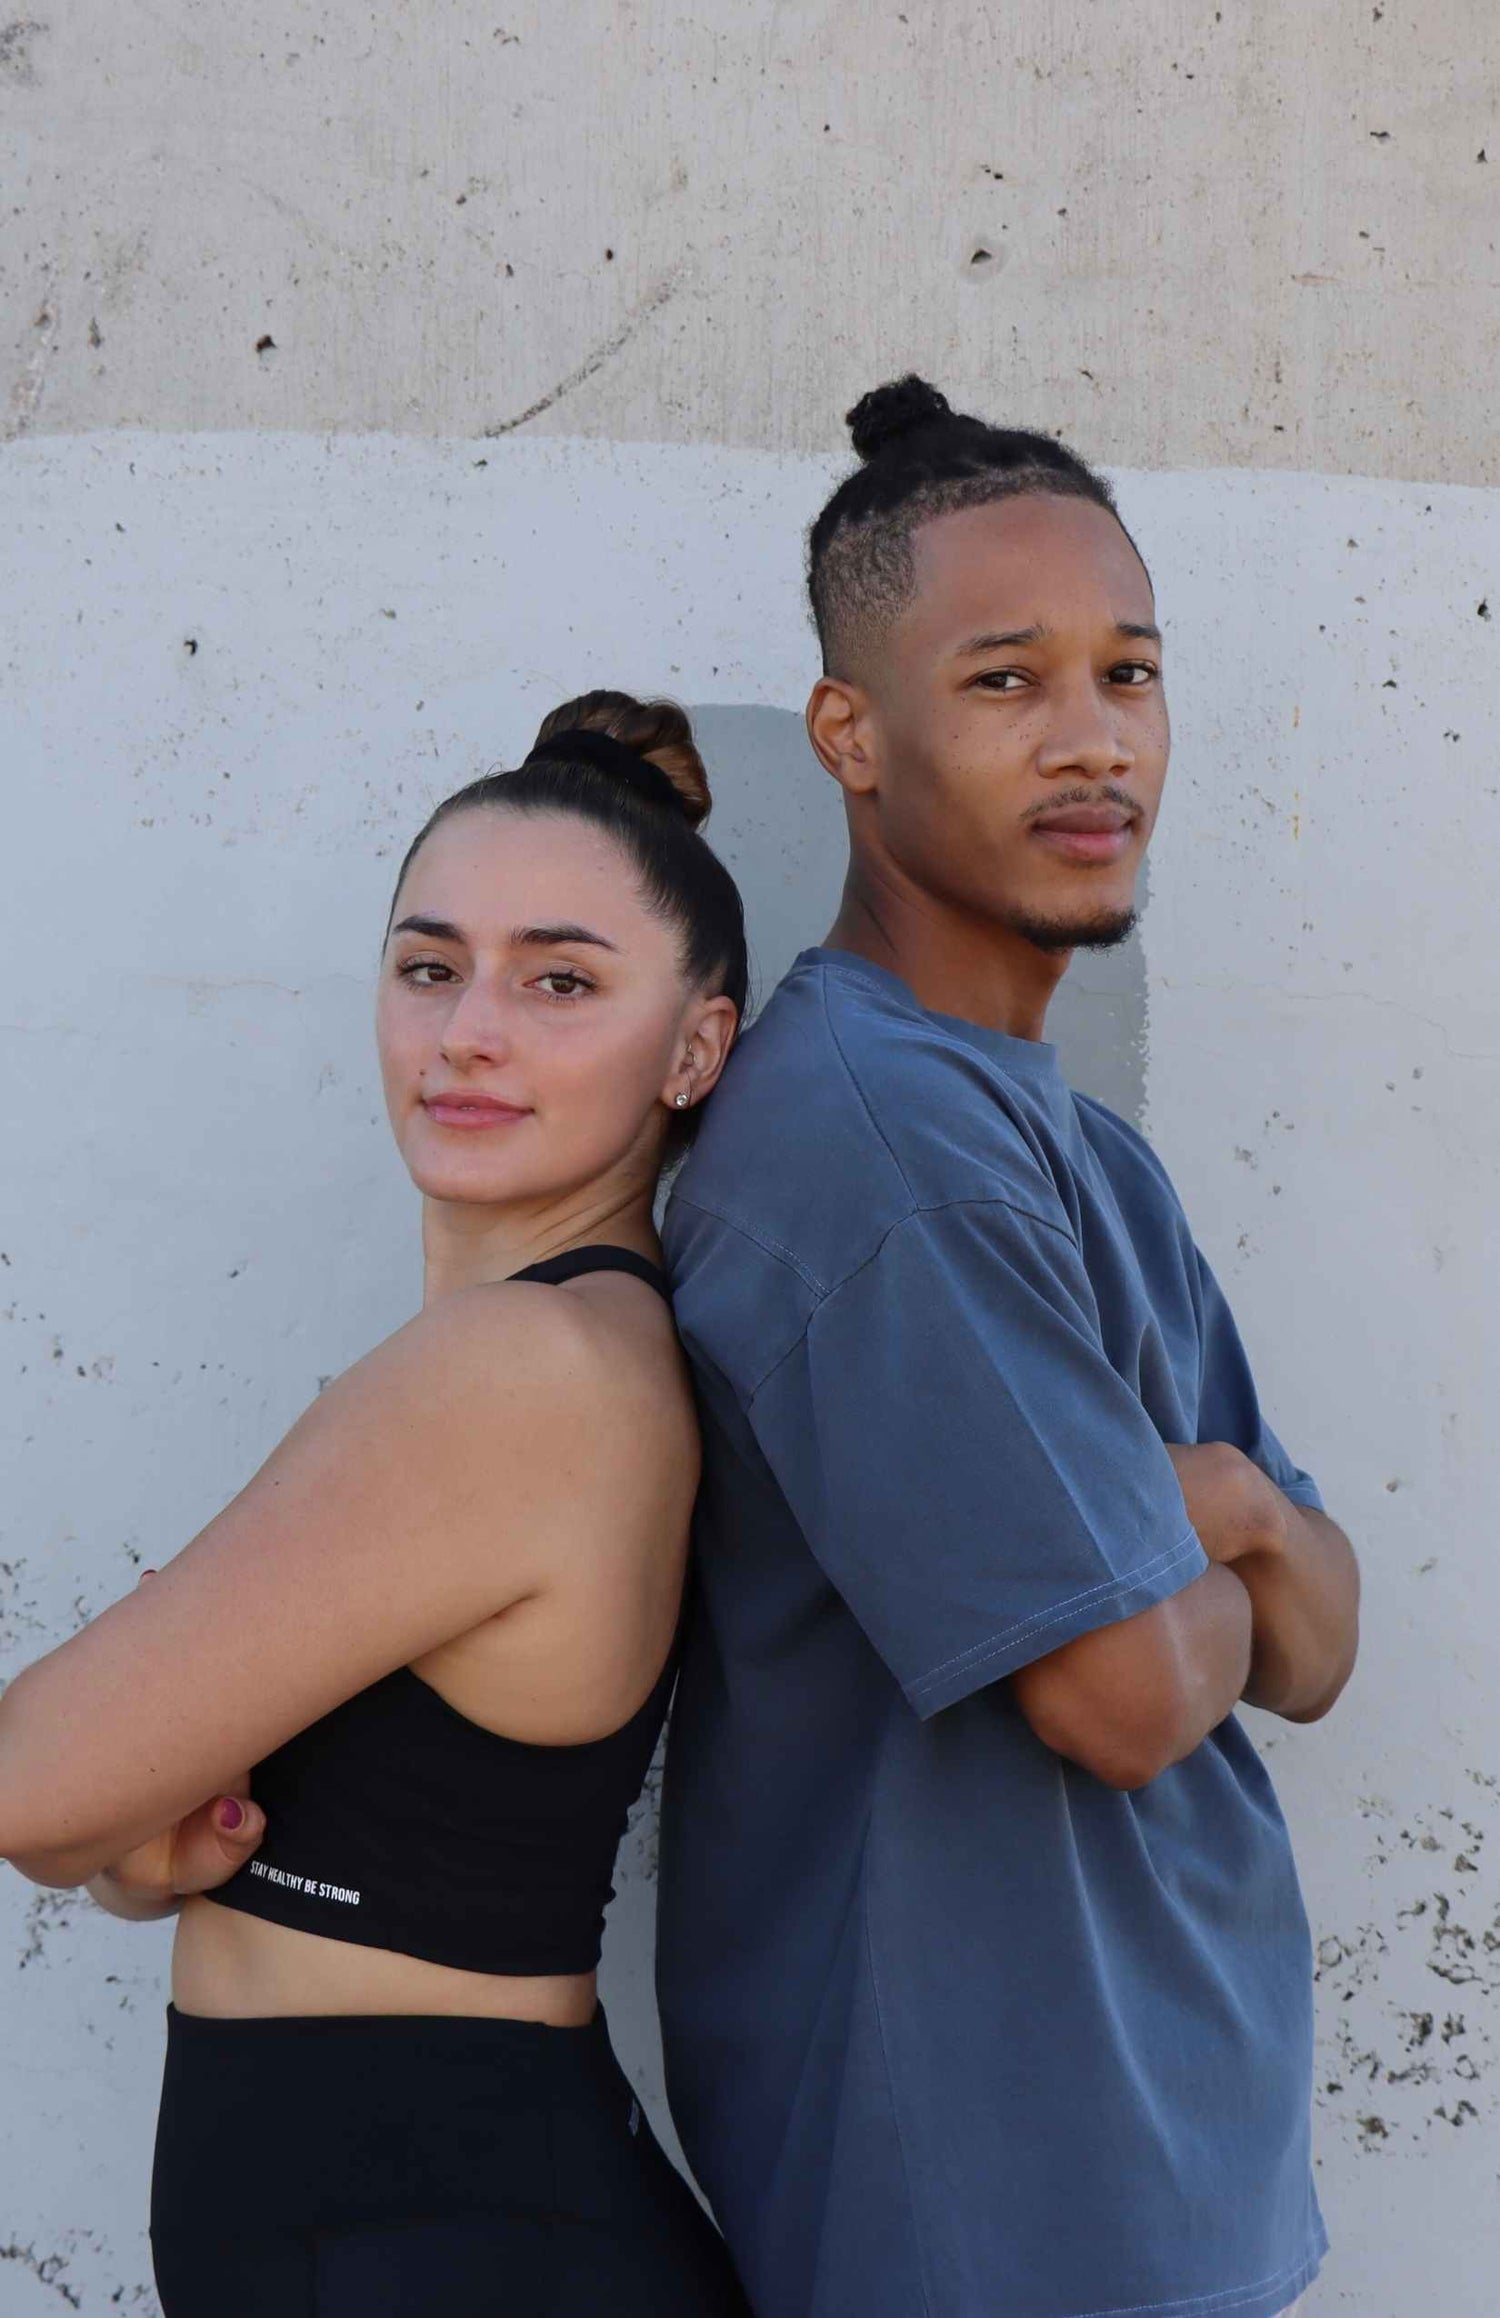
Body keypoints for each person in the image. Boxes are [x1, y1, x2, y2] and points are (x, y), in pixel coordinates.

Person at [655, 378, 1360, 2318]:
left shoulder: (1073, 1147)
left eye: (1128, 673)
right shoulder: (870, 1148)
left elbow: (1318, 1637)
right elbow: (1129, 1697)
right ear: (851, 737)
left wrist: (1210, 1537)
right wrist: (1216, 1503)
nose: (1092, 740)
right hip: (993, 2218)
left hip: (1163, 2184)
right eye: (1004, 681)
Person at [0, 693, 751, 2318]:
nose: (468, 1027)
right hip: (435, 2220)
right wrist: (136, 1841)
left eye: (560, 979)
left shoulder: (522, 1369)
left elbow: (35, 1782)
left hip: (451, 2234)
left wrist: (105, 1818)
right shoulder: (530, 1355)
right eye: (430, 966)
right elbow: (118, 1824)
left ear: (698, 1043)